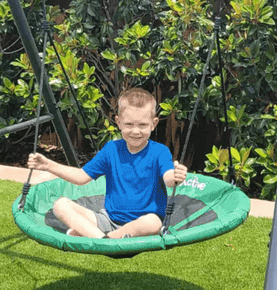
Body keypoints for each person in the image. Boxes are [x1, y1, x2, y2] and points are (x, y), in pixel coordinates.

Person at [26, 87, 187, 239]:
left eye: (143, 125)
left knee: (152, 222)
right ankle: (104, 238)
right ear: (118, 122)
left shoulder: (160, 151)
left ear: (154, 124)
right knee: (60, 205)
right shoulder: (111, 150)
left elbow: (169, 179)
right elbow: (81, 177)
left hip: (141, 224)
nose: (136, 131)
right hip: (107, 220)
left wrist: (176, 175)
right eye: (129, 124)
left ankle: (100, 238)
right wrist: (47, 165)